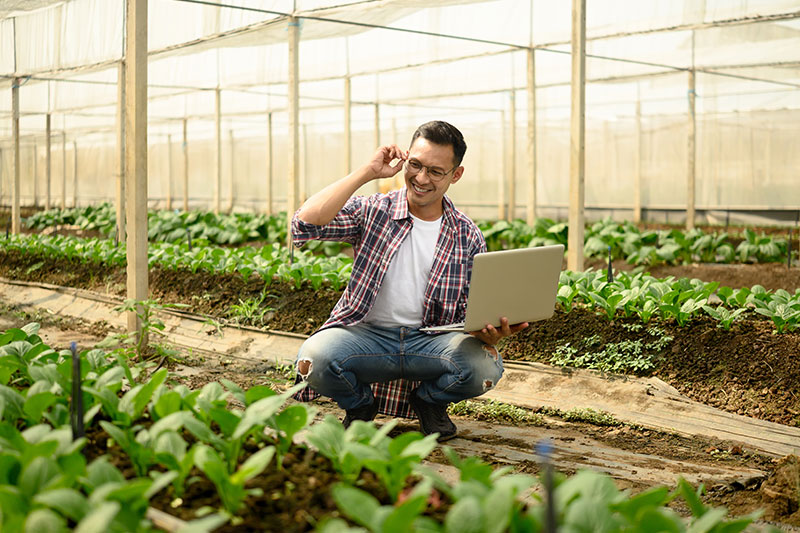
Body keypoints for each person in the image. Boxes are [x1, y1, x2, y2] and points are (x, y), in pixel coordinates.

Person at [291, 120, 528, 441]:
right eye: (414, 165)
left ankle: (428, 402)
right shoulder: (374, 211)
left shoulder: (466, 234)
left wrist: (490, 334)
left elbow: (472, 312)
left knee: (483, 367)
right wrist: (366, 172)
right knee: (314, 359)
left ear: (455, 175)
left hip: (430, 343)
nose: (421, 178)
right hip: (367, 339)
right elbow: (304, 224)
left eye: (435, 171)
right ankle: (360, 406)